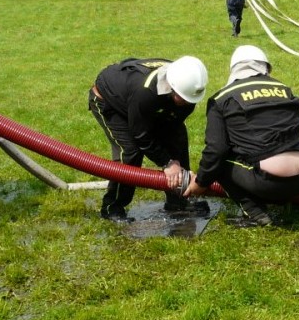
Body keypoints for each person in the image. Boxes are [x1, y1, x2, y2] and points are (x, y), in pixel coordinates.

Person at [184, 45, 299, 226]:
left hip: (272, 184)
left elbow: (216, 151)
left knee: (221, 164)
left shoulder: (221, 99)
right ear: (266, 68)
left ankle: (256, 212)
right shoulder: (282, 88)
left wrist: (200, 183)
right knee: (295, 143)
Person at [88, 56, 209, 220]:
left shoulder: (187, 87)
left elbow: (172, 127)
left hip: (141, 103)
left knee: (177, 140)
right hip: (110, 101)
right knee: (130, 152)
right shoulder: (146, 92)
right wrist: (167, 163)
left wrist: (175, 162)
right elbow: (141, 135)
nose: (187, 103)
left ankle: (178, 202)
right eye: (183, 98)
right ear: (172, 87)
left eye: (189, 100)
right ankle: (112, 208)